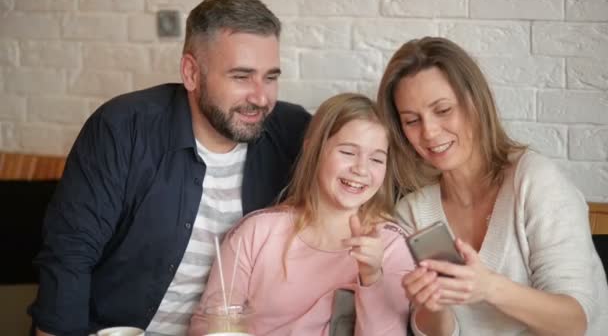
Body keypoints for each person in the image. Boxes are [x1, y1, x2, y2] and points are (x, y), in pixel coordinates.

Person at [28, 0, 311, 335]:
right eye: (241, 76)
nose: (261, 97)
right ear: (191, 73)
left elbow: (362, 162)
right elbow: (68, 256)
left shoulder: (292, 132)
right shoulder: (123, 128)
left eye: (270, 77)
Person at [376, 36, 608, 335]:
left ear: (475, 102)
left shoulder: (534, 180)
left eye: (443, 110)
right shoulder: (412, 213)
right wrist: (434, 305)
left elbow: (574, 322)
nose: (430, 132)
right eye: (411, 120)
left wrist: (488, 287)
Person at [188, 93, 414, 336]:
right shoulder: (256, 232)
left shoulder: (392, 245)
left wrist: (372, 277)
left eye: (377, 159)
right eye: (348, 152)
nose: (361, 169)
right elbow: (207, 325)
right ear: (312, 148)